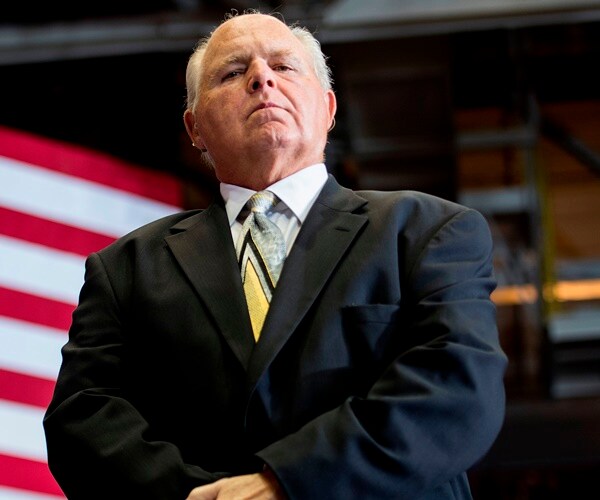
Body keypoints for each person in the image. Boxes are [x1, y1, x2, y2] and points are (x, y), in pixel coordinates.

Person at [43, 11, 507, 500]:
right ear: (195, 127)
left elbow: (457, 387)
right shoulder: (125, 269)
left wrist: (284, 483)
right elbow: (82, 420)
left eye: (284, 67)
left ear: (328, 107)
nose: (262, 78)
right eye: (232, 72)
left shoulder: (428, 230)